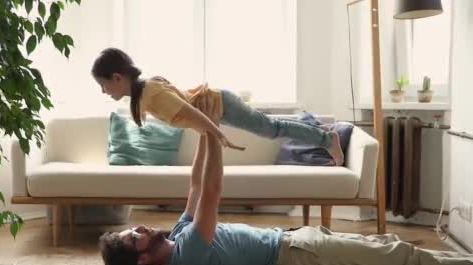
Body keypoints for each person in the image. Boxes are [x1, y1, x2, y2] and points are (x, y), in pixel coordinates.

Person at [98, 106, 473, 265]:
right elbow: (213, 190)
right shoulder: (189, 256)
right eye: (137, 237)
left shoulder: (179, 235)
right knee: (399, 257)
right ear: (144, 260)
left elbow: (196, 186)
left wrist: (200, 126)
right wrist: (213, 132)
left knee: (387, 244)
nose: (142, 228)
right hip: (299, 256)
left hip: (296, 240)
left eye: (136, 229)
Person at [91, 47, 345, 166]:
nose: (103, 91)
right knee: (270, 126)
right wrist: (212, 132)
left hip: (222, 104)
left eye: (103, 85)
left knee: (270, 129)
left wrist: (219, 135)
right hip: (220, 105)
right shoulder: (145, 93)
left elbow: (190, 111)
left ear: (117, 77)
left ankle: (325, 137)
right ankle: (320, 131)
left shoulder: (149, 93)